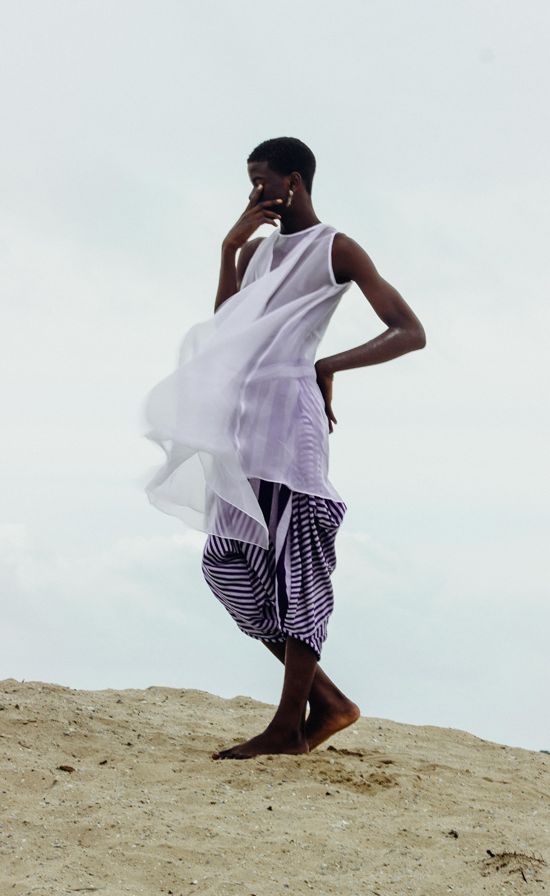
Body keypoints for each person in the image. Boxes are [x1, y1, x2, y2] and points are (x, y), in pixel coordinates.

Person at [144, 137, 425, 759]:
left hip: (292, 419)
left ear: (294, 182)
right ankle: (328, 703)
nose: (254, 193)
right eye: (250, 181)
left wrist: (327, 364)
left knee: (299, 566)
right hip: (244, 423)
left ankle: (285, 728)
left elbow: (410, 332)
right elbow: (226, 333)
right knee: (228, 563)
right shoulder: (257, 254)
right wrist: (228, 250)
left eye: (262, 181)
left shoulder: (336, 248)